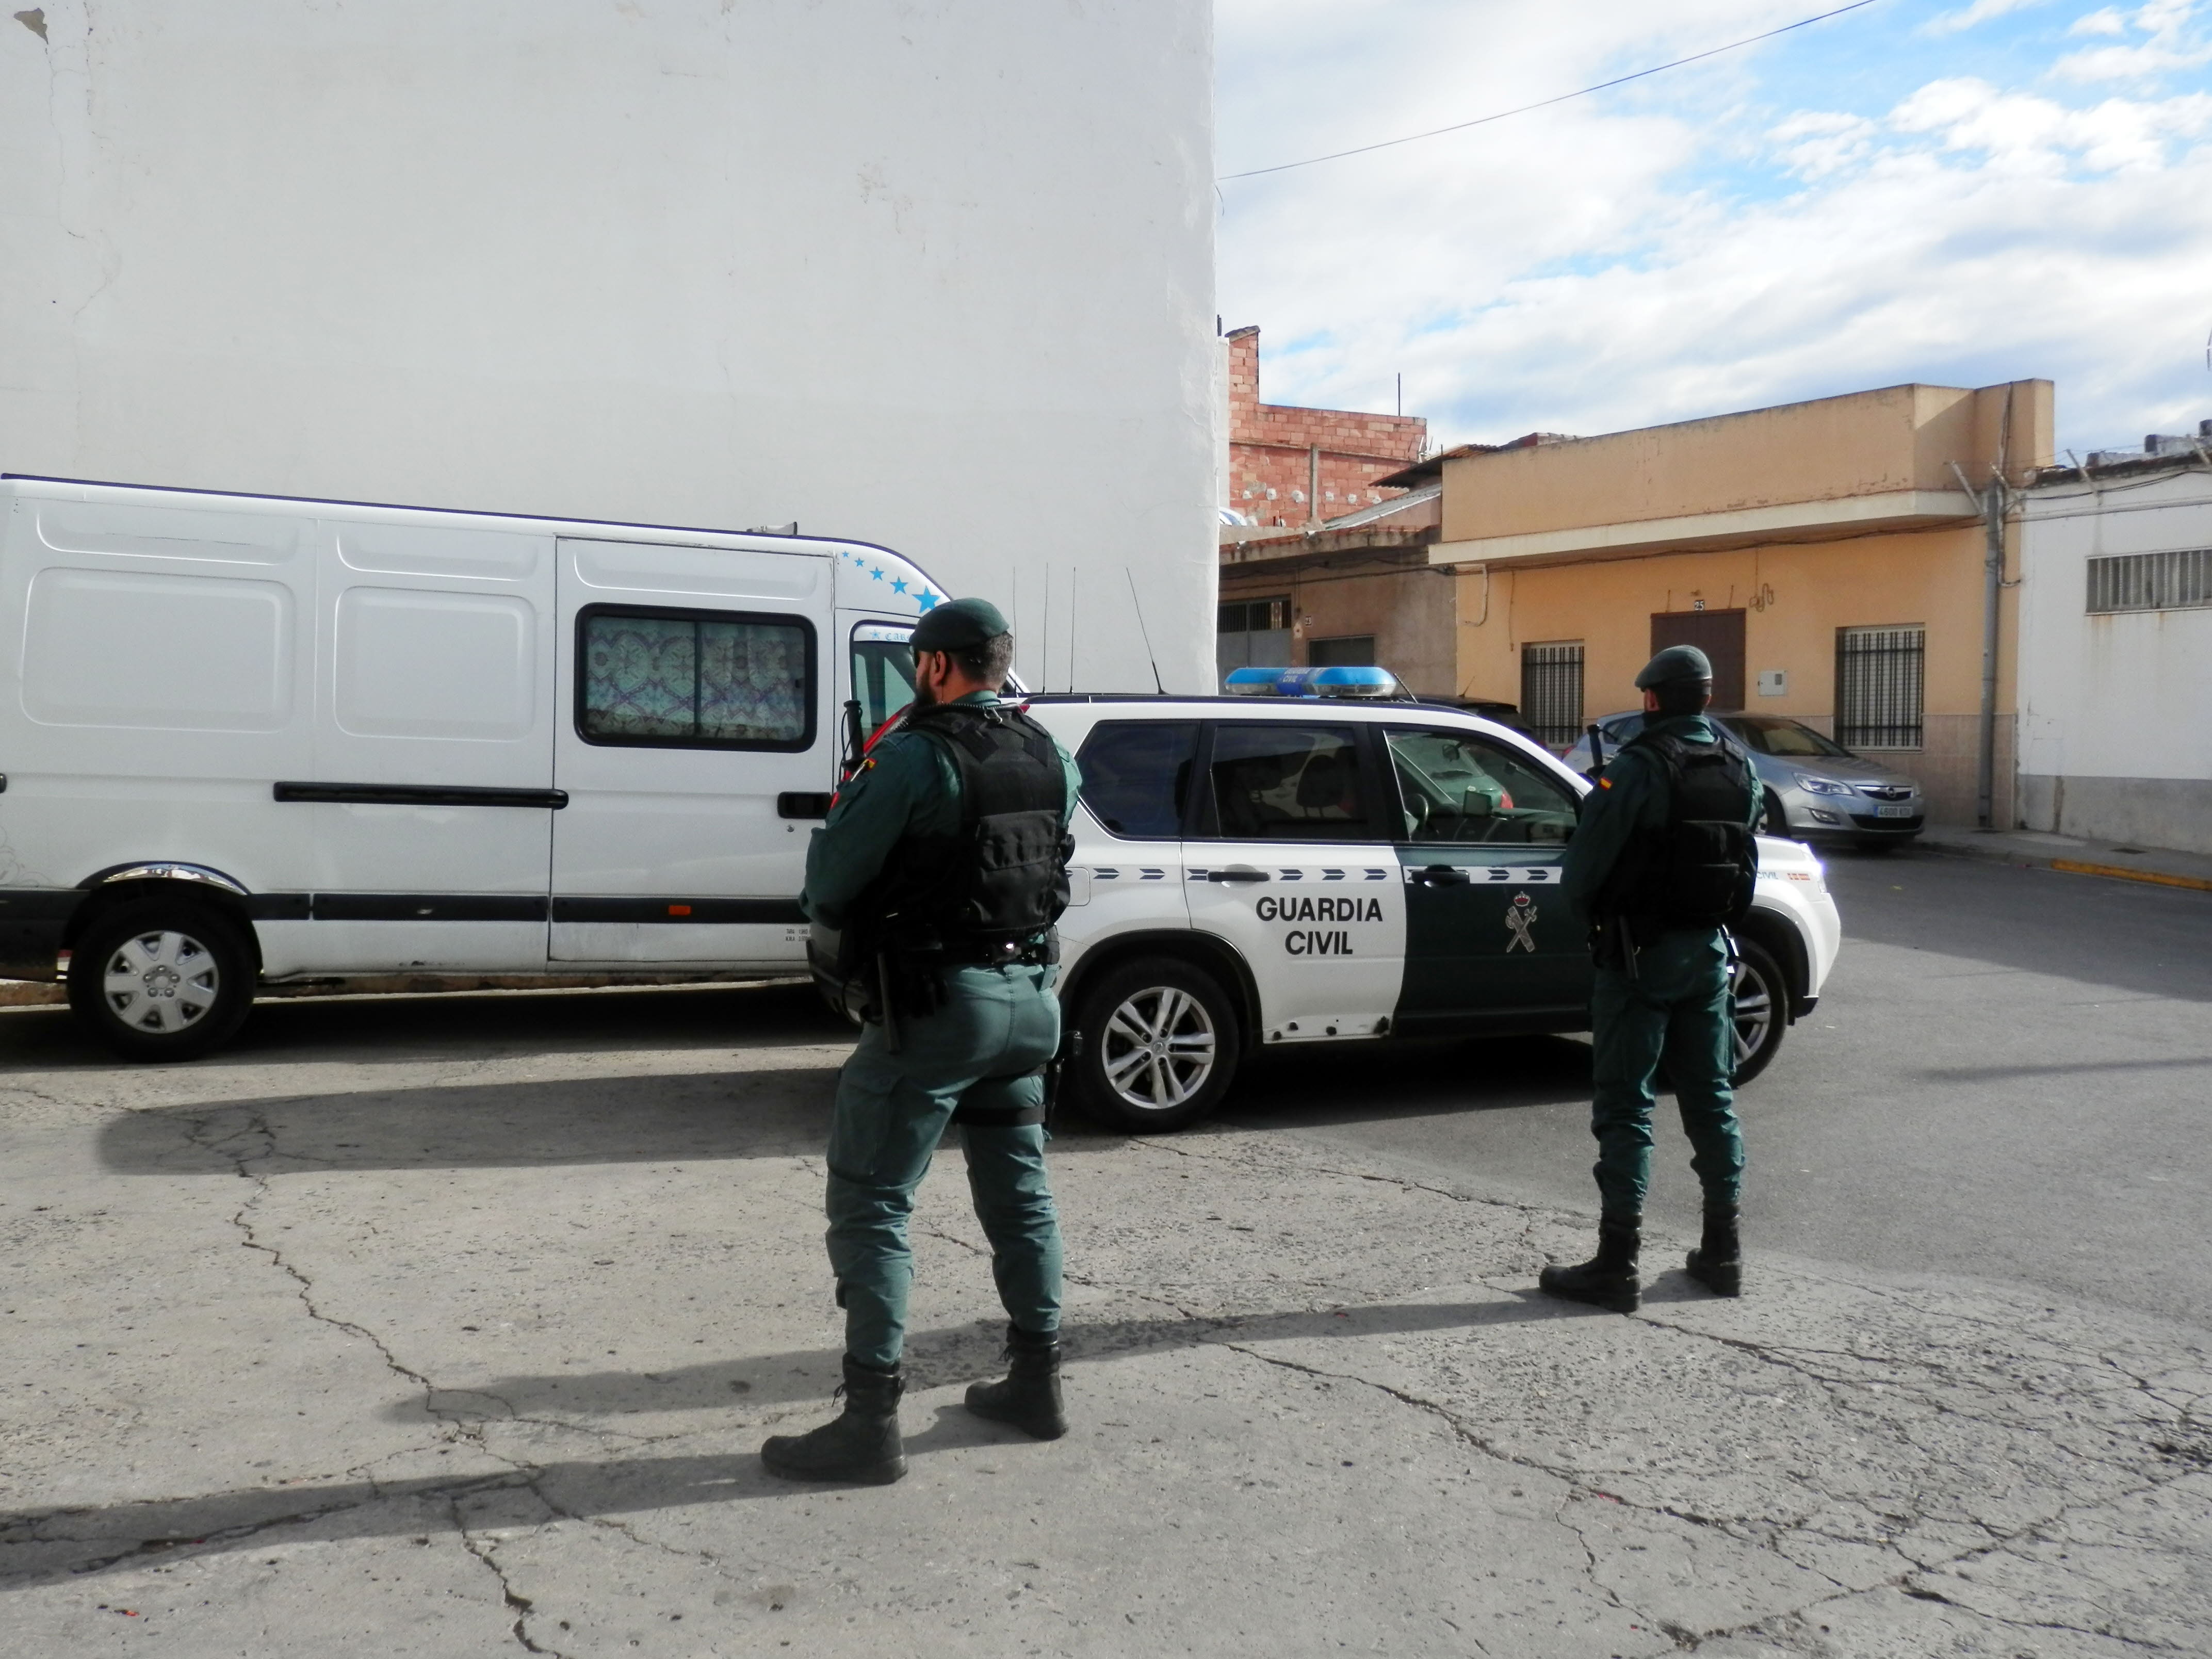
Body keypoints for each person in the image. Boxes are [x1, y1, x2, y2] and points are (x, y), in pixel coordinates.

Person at [761, 598, 1082, 1485]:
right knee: (1020, 1198)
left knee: (871, 1201)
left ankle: (869, 1424)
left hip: (940, 1011)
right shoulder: (1050, 752)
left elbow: (829, 885)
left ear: (939, 666)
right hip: (1028, 1005)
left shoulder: (913, 757)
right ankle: (1037, 1383)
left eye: (916, 663)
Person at [1543, 645, 1761, 1313]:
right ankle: (1722, 1253)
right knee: (1710, 1095)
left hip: (1640, 957)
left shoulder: (1638, 769)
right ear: (1705, 697)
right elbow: (1744, 858)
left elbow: (1583, 871)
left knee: (1626, 1103)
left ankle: (1617, 1262)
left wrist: (1597, 926)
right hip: (1710, 954)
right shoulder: (1738, 765)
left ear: (1653, 700)